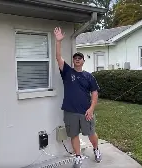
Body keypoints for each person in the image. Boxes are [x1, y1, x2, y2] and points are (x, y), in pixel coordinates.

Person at [54, 27, 102, 168]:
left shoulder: (89, 76)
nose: (77, 60)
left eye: (79, 58)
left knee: (91, 133)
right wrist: (58, 42)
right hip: (70, 111)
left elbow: (94, 93)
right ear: (73, 61)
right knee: (73, 135)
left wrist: (91, 109)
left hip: (85, 111)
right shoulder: (67, 72)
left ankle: (96, 149)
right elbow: (58, 57)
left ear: (83, 61)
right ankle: (78, 156)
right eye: (75, 58)